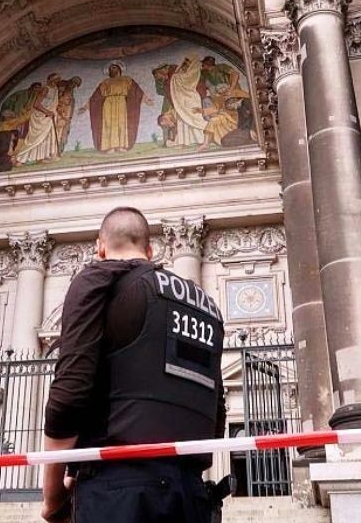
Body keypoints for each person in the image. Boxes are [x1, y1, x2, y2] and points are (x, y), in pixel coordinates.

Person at [41, 207, 226, 523]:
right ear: (150, 250)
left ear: (101, 247)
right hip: (190, 492)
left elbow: (69, 395)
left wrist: (53, 494)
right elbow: (216, 410)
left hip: (119, 491)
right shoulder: (205, 305)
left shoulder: (98, 280)